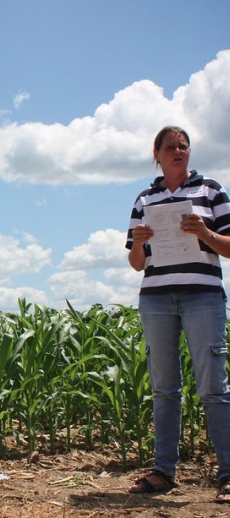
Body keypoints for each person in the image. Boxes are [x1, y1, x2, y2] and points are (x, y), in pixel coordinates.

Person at [126, 126, 230, 503]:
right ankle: (164, 471)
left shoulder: (211, 191)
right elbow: (137, 264)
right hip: (155, 298)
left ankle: (228, 475)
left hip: (203, 297)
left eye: (184, 146)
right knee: (164, 388)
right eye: (170, 146)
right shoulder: (144, 198)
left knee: (213, 388)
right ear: (156, 154)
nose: (178, 151)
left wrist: (205, 233)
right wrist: (138, 244)